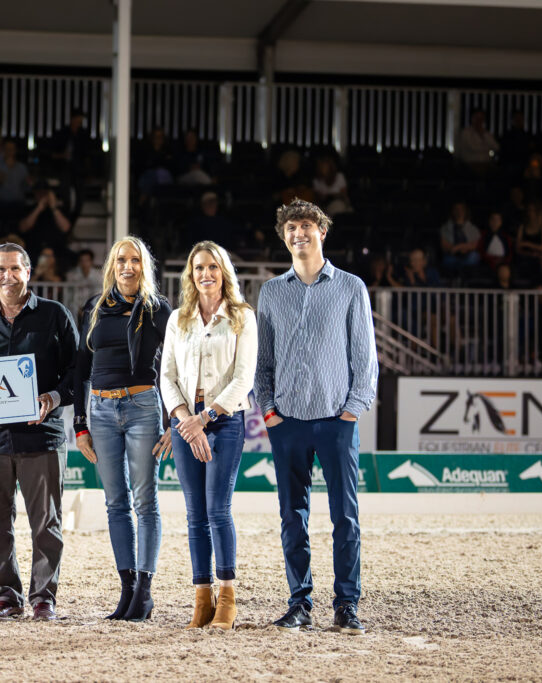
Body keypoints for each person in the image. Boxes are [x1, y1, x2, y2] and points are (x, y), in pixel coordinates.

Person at [254, 199, 378, 636]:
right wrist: (268, 411)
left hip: (336, 421)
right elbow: (262, 362)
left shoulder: (350, 287)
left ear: (322, 231)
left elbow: (365, 359)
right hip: (287, 422)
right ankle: (300, 603)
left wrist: (351, 412)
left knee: (345, 517)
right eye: (291, 227)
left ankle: (346, 605)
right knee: (293, 517)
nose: (298, 233)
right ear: (284, 235)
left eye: (306, 225)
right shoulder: (271, 292)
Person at [0, 242, 78, 622]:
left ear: (28, 272)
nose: (7, 276)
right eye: (0, 270)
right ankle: (7, 596)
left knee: (46, 524)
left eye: (14, 269)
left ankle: (43, 598)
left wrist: (53, 398)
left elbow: (77, 373)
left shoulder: (55, 316)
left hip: (41, 439)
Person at [155, 240, 256, 631]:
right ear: (191, 274)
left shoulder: (242, 316)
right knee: (194, 513)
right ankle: (202, 598)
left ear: (224, 271)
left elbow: (243, 378)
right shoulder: (178, 319)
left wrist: (206, 417)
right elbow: (166, 376)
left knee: (218, 509)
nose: (206, 274)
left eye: (213, 266)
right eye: (199, 267)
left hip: (225, 421)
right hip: (186, 422)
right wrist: (185, 419)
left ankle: (227, 597)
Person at [73, 237, 171, 621]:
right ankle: (127, 588)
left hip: (143, 406)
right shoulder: (94, 308)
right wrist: (80, 424)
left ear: (144, 266)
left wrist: (173, 419)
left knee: (145, 501)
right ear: (111, 266)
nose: (127, 267)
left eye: (135, 260)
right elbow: (81, 368)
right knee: (115, 502)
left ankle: (144, 592)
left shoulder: (157, 309)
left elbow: (176, 366)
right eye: (120, 260)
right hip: (100, 411)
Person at [19, 184, 72, 268]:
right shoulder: (29, 209)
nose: (43, 196)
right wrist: (39, 208)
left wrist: (53, 207)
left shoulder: (60, 210)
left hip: (56, 250)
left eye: (45, 193)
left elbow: (66, 228)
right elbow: (23, 227)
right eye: (39, 193)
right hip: (34, 250)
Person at [439, 201, 482, 273]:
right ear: (452, 211)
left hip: (468, 256)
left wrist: (459, 247)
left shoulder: (473, 228)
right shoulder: (445, 228)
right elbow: (444, 246)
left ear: (465, 211)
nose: (459, 212)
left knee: (474, 256)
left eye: (461, 209)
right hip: (452, 256)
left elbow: (474, 245)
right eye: (456, 209)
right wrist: (454, 249)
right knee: (447, 260)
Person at [455, 108, 499, 175]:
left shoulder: (486, 133)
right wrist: (487, 147)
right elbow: (473, 148)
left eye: (481, 118)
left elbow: (496, 147)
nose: (479, 121)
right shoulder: (465, 133)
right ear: (472, 118)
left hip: (487, 164)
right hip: (470, 165)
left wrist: (483, 135)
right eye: (477, 118)